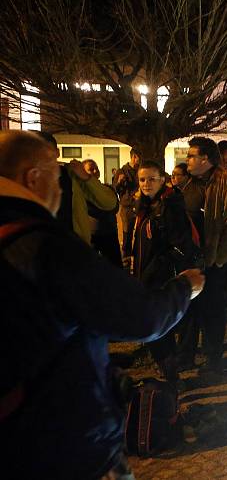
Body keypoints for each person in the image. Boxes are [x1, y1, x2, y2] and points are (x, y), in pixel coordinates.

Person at [0, 130, 205, 479]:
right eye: (56, 177)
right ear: (32, 178)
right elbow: (140, 315)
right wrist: (184, 287)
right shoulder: (45, 247)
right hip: (62, 441)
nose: (61, 189)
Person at [123, 160, 201, 385]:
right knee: (157, 330)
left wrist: (156, 269)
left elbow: (179, 245)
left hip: (160, 278)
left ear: (163, 180)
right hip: (145, 276)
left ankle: (171, 378)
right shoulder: (146, 204)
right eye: (142, 179)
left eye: (152, 179)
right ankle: (169, 374)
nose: (146, 184)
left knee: (158, 329)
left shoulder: (169, 206)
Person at [176, 136, 227, 380]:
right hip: (190, 260)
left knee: (212, 313)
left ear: (205, 159)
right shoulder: (188, 184)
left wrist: (219, 259)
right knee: (188, 311)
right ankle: (185, 355)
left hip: (214, 263)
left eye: (191, 155)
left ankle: (212, 360)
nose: (187, 160)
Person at [83, 159, 122, 266]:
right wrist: (104, 207)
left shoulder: (107, 188)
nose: (95, 171)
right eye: (91, 169)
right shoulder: (82, 192)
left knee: (114, 266)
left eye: (96, 168)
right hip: (92, 234)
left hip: (109, 233)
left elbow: (115, 207)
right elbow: (89, 210)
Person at [115, 147, 141, 250]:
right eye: (140, 157)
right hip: (127, 208)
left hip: (140, 205)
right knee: (127, 233)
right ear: (134, 157)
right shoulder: (122, 171)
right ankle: (126, 258)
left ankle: (137, 257)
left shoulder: (140, 170)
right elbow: (115, 189)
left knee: (140, 233)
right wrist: (119, 182)